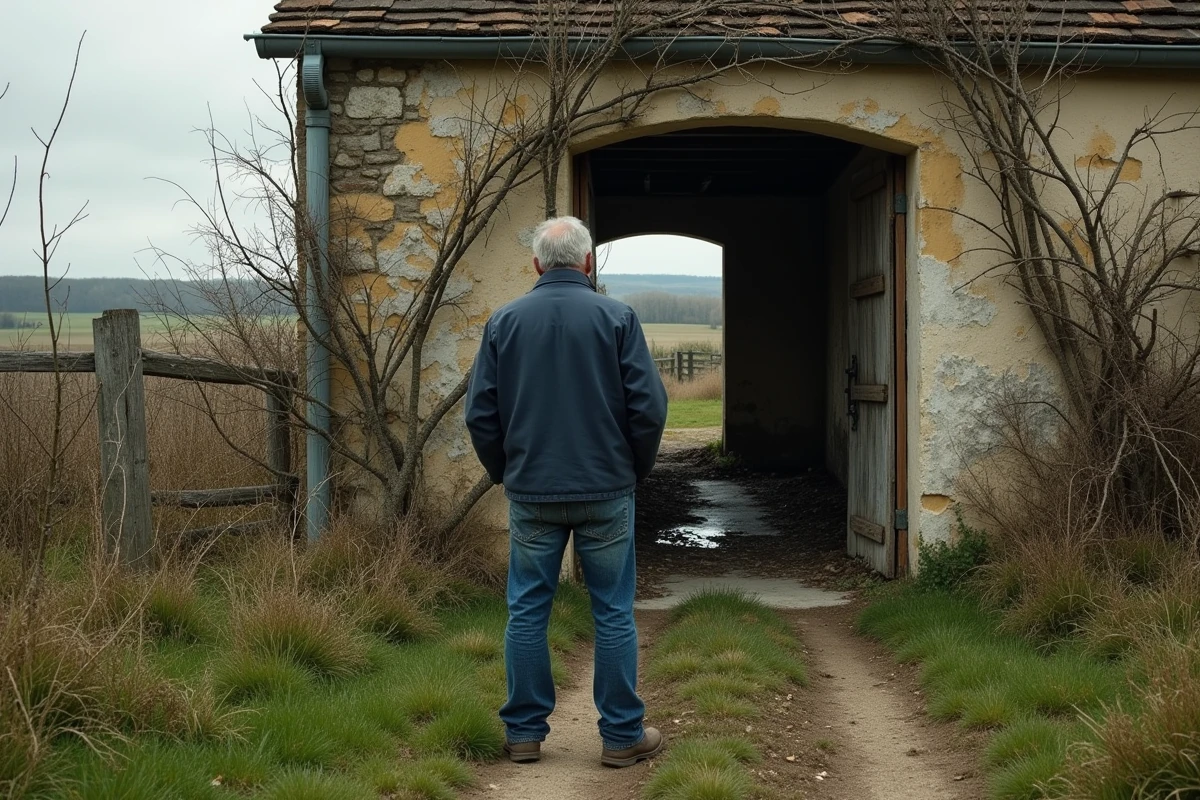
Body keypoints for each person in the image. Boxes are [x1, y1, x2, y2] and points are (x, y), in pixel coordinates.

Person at [464, 216, 669, 768]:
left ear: (536, 265)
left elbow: (480, 414)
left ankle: (525, 734)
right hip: (607, 488)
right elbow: (648, 409)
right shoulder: (618, 318)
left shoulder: (503, 322)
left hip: (532, 491)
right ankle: (622, 737)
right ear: (587, 263)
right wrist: (634, 469)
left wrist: (507, 471)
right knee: (614, 612)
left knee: (527, 610)